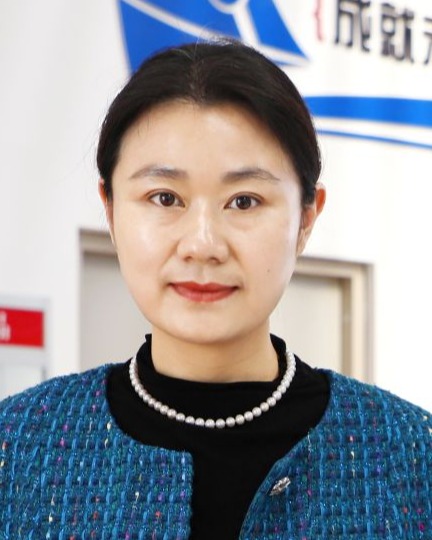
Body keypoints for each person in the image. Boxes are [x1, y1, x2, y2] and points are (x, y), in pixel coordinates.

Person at [0, 40, 431, 539]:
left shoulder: (409, 457)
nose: (202, 245)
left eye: (244, 201)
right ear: (111, 210)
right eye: (165, 198)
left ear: (306, 218)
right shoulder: (19, 446)